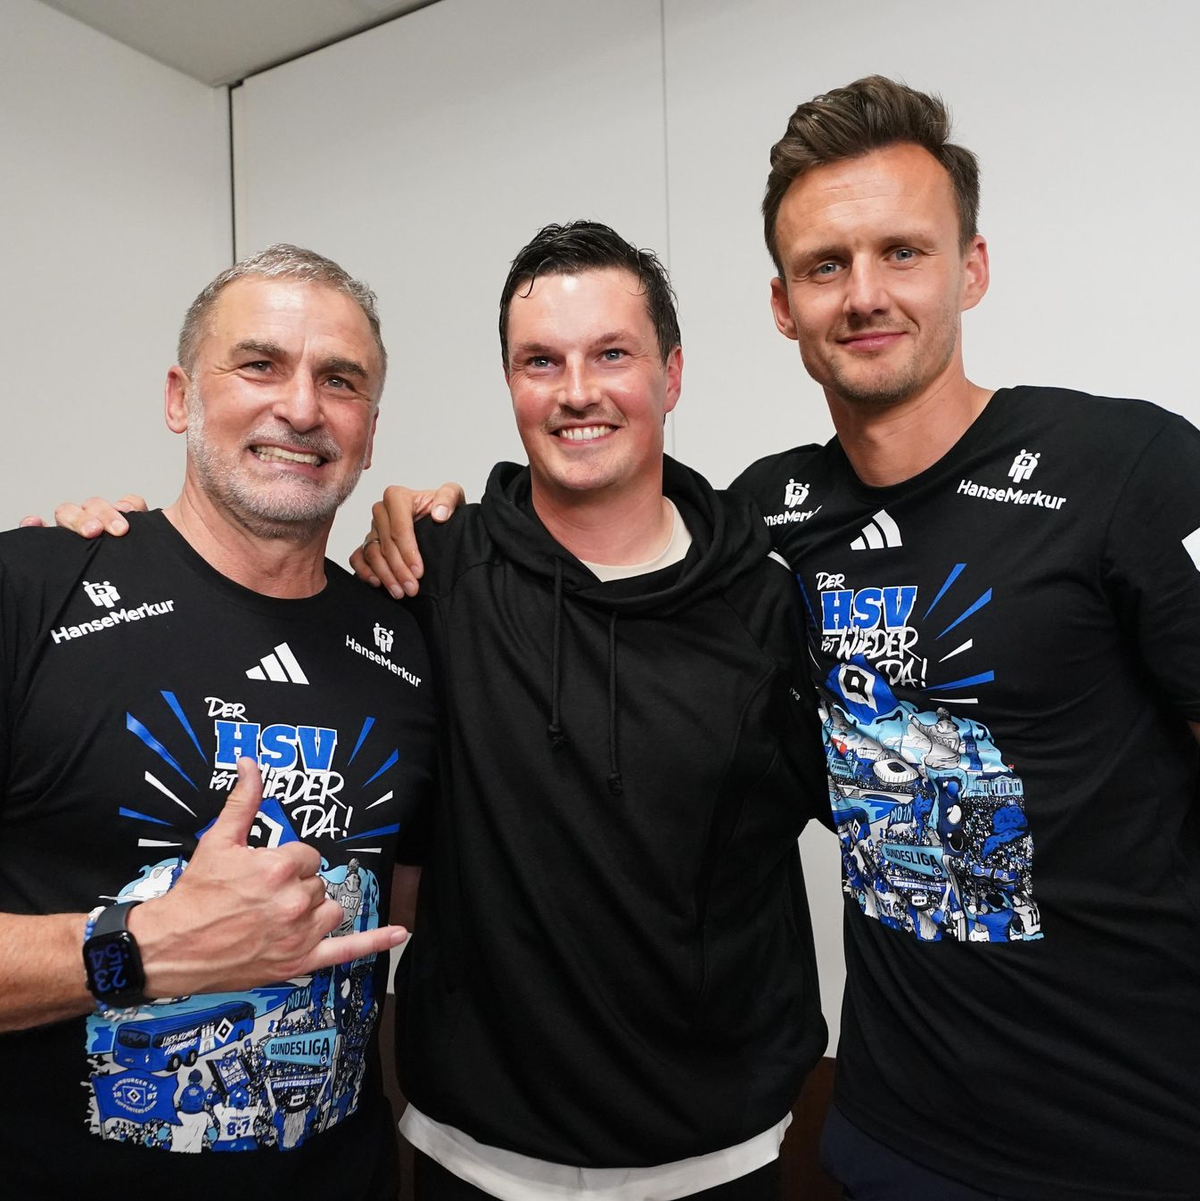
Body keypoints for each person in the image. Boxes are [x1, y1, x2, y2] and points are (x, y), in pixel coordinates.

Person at [354, 79, 1200, 1201]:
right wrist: (408, 520)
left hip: (1127, 1132)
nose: (863, 295)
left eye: (902, 251)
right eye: (824, 266)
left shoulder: (1128, 467)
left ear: (972, 268)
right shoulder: (766, 524)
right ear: (781, 303)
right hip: (885, 1132)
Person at [46, 222, 829, 1200]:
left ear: (671, 374)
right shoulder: (431, 574)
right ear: (510, 384)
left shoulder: (774, 597)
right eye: (541, 360)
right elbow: (409, 877)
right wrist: (80, 562)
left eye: (612, 355)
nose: (577, 390)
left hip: (724, 1150)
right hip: (473, 1155)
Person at [0, 244, 435, 1198]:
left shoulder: (409, 643)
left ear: (367, 433)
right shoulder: (32, 589)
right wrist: (139, 948)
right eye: (260, 363)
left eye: (341, 380)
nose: (303, 407)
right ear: (179, 397)